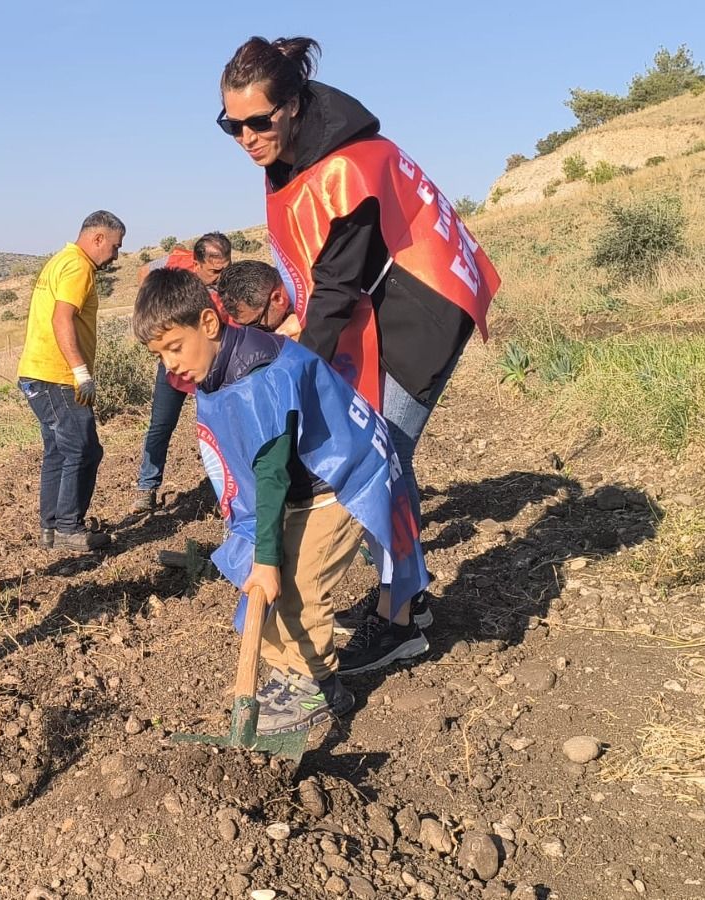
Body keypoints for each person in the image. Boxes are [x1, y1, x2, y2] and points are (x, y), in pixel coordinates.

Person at [217, 35, 500, 673]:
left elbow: (336, 290)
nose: (246, 138)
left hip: (425, 305)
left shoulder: (349, 165)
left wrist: (296, 377)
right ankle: (410, 600)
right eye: (232, 126)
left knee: (378, 456)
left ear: (292, 104)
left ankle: (399, 621)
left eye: (258, 122)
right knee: (380, 453)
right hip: (379, 304)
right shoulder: (288, 154)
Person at [134, 268, 428, 733]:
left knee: (301, 584)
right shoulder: (215, 366)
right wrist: (263, 560)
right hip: (301, 481)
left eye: (174, 347)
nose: (171, 364)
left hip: (339, 477)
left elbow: (269, 474)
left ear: (208, 323)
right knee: (266, 585)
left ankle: (315, 685)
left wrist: (268, 559)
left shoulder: (259, 376)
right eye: (159, 355)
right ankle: (290, 672)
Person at [17, 211, 125, 552]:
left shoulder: (60, 260)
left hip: (38, 374)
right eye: (115, 246)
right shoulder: (78, 266)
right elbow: (61, 318)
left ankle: (51, 528)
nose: (116, 255)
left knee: (59, 452)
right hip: (58, 377)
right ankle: (68, 528)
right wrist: (80, 372)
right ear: (98, 238)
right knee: (84, 450)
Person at [132, 232, 231, 512]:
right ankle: (147, 488)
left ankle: (224, 489)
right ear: (196, 263)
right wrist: (155, 310)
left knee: (217, 427)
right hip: (174, 366)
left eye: (226, 268)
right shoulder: (177, 261)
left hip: (208, 367)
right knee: (161, 425)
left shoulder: (228, 286)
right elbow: (144, 271)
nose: (221, 277)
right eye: (215, 271)